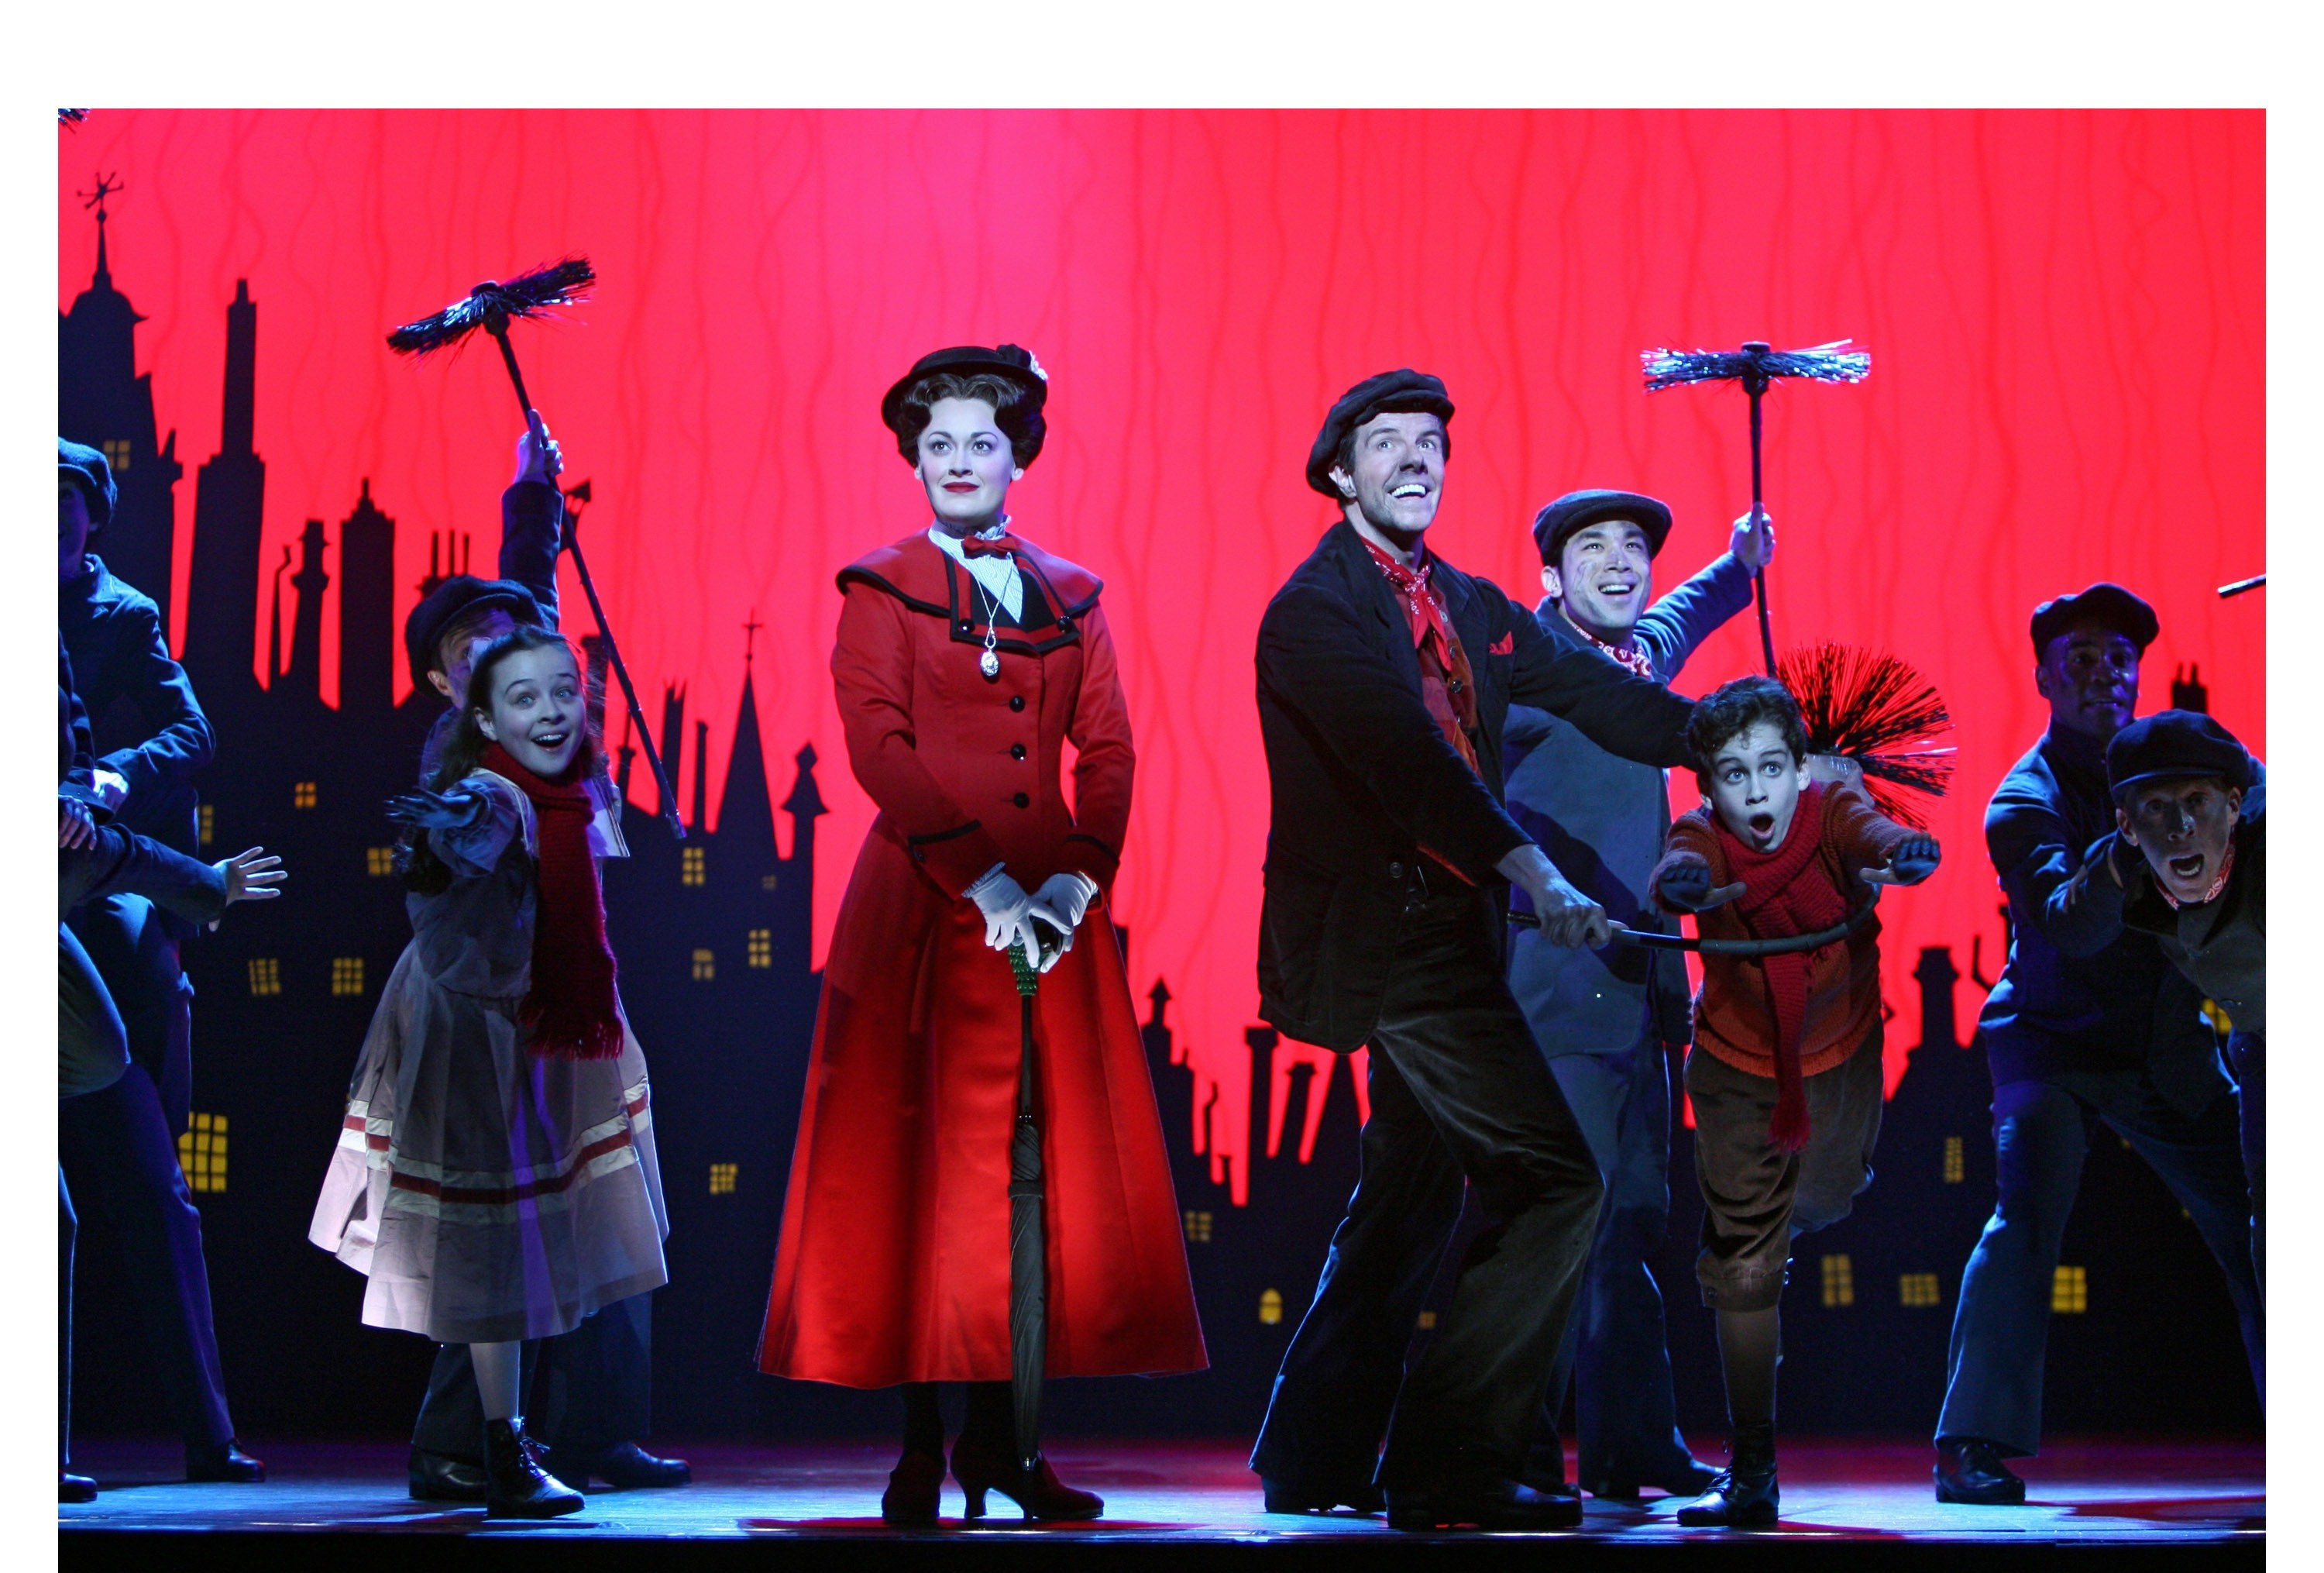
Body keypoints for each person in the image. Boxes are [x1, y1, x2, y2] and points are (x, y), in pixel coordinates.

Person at [759, 344, 1205, 1525]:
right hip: (923, 912)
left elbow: (1108, 748)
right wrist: (986, 879)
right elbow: (878, 746)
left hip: (1052, 925)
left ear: (1018, 459)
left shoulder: (1073, 595)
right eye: (940, 445)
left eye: (982, 443)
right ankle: (920, 1445)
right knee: (922, 1183)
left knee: (1034, 1185)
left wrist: (1076, 880)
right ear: (914, 461)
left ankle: (1009, 1447)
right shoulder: (880, 588)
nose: (960, 462)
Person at [1247, 370, 1699, 1532]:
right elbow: (1409, 761)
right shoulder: (1313, 612)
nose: (1416, 460)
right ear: (1338, 472)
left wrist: (1735, 737)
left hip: (1452, 933)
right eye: (1387, 443)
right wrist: (1536, 871)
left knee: (1407, 1194)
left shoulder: (1469, 602)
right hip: (1388, 938)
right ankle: (1451, 1461)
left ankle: (1312, 1451)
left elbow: (1601, 694)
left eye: (1431, 443)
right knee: (1557, 1181)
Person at [309, 627, 669, 1518]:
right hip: (475, 1029)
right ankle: (497, 1448)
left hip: (533, 1018)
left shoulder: (562, 791)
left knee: (531, 1241)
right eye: (524, 698)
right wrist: (447, 834)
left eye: (563, 692)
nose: (550, 711)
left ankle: (501, 1443)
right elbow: (450, 849)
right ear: (481, 716)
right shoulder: (494, 794)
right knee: (497, 1243)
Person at [397, 421, 686, 1502]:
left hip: (573, 999)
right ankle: (459, 1442)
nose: (504, 652)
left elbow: (531, 603)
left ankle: (601, 1432)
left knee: (608, 1205)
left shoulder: (540, 706)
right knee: (500, 1231)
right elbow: (445, 853)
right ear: (450, 685)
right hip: (494, 1014)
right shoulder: (470, 758)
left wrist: (533, 499)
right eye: (474, 650)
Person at [1933, 586, 2260, 1504]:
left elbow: (2263, 802)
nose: (2102, 674)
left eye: (2119, 658)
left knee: (2262, 1222)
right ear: (2044, 677)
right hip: (2055, 1044)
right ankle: (1969, 1441)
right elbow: (2071, 928)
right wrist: (2121, 855)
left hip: (2166, 1046)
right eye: (2079, 657)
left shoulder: (2176, 762)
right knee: (2026, 1218)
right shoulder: (2023, 800)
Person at [1503, 488, 1769, 1502]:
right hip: (1560, 989)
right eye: (1594, 547)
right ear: (1549, 575)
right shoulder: (1526, 668)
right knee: (1561, 1225)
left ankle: (1633, 1445)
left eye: (1633, 548)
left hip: (1646, 991)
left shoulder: (1636, 660)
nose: (1620, 562)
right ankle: (1515, 1450)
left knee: (1632, 1223)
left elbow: (1681, 615)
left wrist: (1738, 566)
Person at [1650, 676, 1939, 1527]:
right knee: (1746, 1264)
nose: (1755, 792)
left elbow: (1869, 833)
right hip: (1738, 1070)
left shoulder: (1834, 805)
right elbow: (1683, 859)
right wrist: (1681, 882)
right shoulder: (1701, 832)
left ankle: (1783, 1224)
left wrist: (1902, 850)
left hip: (1838, 1057)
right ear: (1709, 785)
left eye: (1772, 768)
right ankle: (1753, 1465)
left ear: (1801, 769)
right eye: (1734, 774)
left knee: (1829, 1193)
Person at [56, 439, 266, 1485]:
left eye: (60, 505)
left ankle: (207, 1432)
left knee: (149, 1177)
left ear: (91, 517)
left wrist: (109, 778)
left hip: (98, 880)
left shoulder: (122, 614)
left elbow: (192, 731)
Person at [2051, 712, 2262, 1296]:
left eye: (2197, 802)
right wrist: (2114, 872)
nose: (2181, 827)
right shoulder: (2128, 867)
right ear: (2127, 824)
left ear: (2233, 805)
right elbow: (2070, 926)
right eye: (2157, 809)